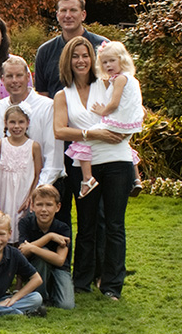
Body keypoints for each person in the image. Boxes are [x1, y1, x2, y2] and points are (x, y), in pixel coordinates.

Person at [53, 36, 133, 300]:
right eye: (75, 56)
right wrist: (92, 134)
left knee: (114, 224)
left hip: (117, 162)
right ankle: (82, 281)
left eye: (85, 55)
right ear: (68, 60)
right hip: (83, 165)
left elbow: (129, 110)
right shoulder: (63, 95)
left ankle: (112, 283)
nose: (81, 60)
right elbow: (60, 129)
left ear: (93, 59)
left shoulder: (108, 83)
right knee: (86, 224)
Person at [0, 56, 66, 223]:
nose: (15, 81)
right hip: (6, 185)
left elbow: (53, 157)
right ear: (2, 80)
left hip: (43, 183)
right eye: (9, 77)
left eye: (19, 75)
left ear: (28, 77)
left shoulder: (46, 107)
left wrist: (37, 194)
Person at [66, 41, 144, 197]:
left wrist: (103, 111)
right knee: (126, 146)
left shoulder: (119, 80)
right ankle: (136, 179)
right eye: (104, 62)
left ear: (122, 60)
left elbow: (114, 103)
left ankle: (88, 179)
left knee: (81, 140)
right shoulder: (133, 80)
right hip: (130, 124)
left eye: (112, 61)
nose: (108, 65)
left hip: (117, 123)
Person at [34, 0, 107, 99]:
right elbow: (42, 95)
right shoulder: (45, 51)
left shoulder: (103, 47)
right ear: (57, 15)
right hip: (56, 113)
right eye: (63, 10)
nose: (68, 15)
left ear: (83, 15)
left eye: (73, 10)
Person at [18, 185, 75, 310]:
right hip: (35, 268)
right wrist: (49, 237)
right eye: (39, 205)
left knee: (67, 305)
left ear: (57, 207)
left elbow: (60, 260)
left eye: (49, 205)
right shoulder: (25, 223)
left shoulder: (63, 228)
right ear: (32, 206)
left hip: (59, 269)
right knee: (41, 256)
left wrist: (32, 248)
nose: (44, 209)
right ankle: (40, 297)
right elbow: (22, 251)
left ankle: (52, 291)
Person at [0, 104, 42, 241]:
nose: (16, 126)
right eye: (12, 122)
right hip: (3, 193)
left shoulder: (33, 146)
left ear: (28, 123)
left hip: (23, 194)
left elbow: (38, 174)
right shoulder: (0, 144)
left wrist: (30, 197)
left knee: (21, 232)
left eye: (21, 122)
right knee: (2, 228)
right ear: (6, 123)